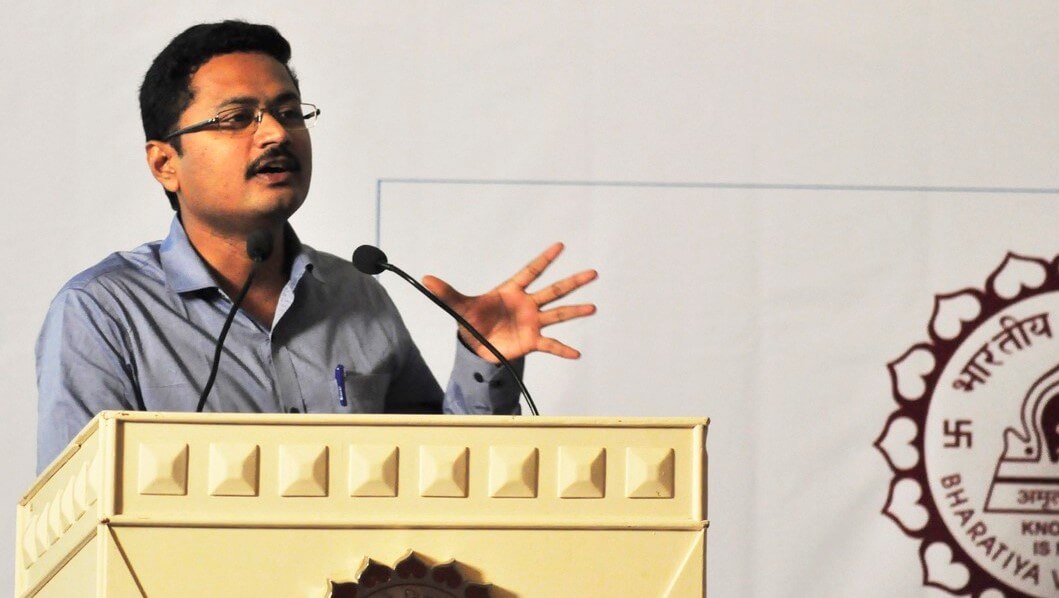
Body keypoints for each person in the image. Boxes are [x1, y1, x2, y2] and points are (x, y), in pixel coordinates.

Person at [35, 21, 597, 473]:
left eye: (289, 112)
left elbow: (443, 481)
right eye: (237, 118)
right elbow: (77, 522)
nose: (277, 133)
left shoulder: (356, 293)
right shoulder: (103, 312)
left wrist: (484, 359)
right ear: (165, 163)